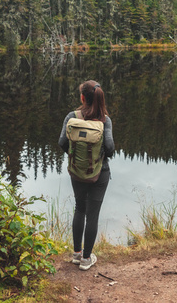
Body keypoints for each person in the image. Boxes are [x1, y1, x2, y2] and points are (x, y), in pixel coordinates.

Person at [58, 80, 115, 271]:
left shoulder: (71, 116)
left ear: (82, 97)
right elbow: (110, 148)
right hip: (99, 174)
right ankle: (86, 259)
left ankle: (76, 254)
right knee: (92, 215)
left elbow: (61, 143)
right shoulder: (105, 120)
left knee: (79, 209)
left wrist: (76, 156)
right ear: (100, 98)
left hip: (76, 172)